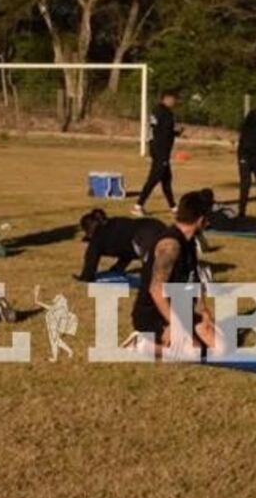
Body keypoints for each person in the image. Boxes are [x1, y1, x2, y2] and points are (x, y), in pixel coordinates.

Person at [130, 191, 219, 356]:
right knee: (194, 353)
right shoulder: (170, 245)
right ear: (200, 220)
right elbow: (156, 291)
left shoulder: (190, 241)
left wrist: (204, 311)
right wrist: (176, 325)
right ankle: (141, 344)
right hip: (153, 314)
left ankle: (179, 340)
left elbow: (194, 279)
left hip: (180, 310)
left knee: (222, 347)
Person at [75, 209, 166, 281]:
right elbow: (126, 251)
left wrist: (85, 277)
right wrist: (117, 268)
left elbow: (91, 259)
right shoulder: (116, 223)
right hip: (156, 225)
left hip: (144, 234)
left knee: (151, 271)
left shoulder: (97, 239)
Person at [133, 90, 181, 216]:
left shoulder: (156, 110)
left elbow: (158, 130)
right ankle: (138, 206)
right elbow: (165, 132)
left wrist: (175, 133)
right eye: (173, 99)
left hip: (157, 149)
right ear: (167, 98)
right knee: (154, 179)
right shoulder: (165, 112)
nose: (175, 102)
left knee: (167, 180)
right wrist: (176, 132)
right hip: (161, 151)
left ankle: (173, 207)